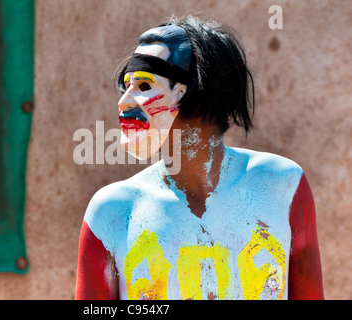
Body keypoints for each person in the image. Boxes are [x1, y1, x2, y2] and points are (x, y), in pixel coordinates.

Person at [75, 15, 323, 300]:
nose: (124, 101)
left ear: (198, 94)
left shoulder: (282, 187)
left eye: (144, 85)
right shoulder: (112, 213)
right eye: (126, 86)